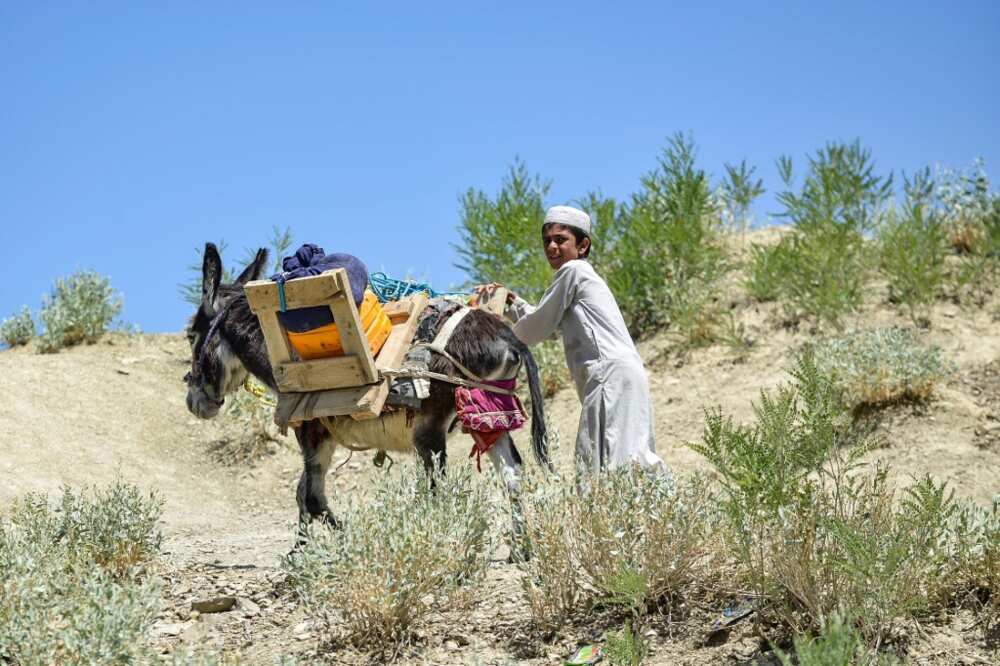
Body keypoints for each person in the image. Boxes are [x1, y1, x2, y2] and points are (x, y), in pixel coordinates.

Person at [478, 205, 671, 481]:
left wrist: (494, 330)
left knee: (607, 463)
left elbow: (536, 328)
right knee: (627, 457)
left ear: (583, 245)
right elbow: (543, 317)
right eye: (547, 241)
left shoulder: (574, 271)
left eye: (560, 239)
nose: (552, 246)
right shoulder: (579, 276)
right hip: (619, 376)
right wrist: (512, 302)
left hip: (609, 377)